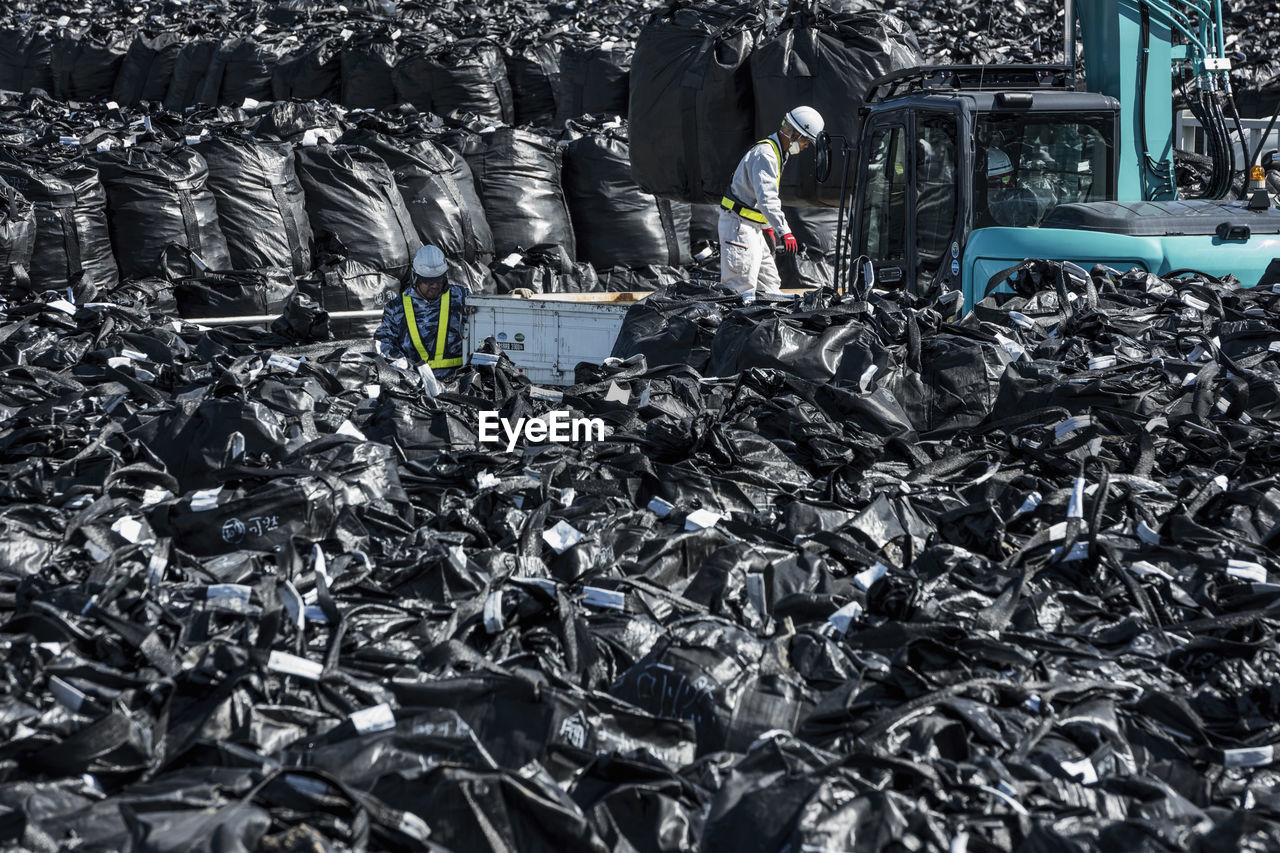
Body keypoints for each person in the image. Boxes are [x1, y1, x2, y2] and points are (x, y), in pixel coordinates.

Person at [719, 106, 824, 300]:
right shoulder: (766, 154)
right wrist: (784, 231)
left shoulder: (776, 153)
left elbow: (756, 198)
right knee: (741, 289)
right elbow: (767, 199)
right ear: (795, 134)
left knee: (770, 286)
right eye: (806, 141)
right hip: (739, 228)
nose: (806, 146)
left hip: (752, 227)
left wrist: (767, 227)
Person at [375, 245, 468, 375]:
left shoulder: (462, 297)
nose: (435, 285)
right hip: (417, 383)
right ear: (415, 277)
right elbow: (383, 342)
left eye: (439, 279)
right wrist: (403, 366)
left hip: (457, 379)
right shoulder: (396, 308)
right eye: (428, 280)